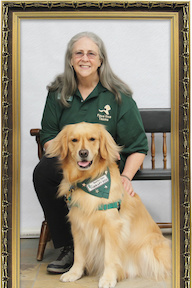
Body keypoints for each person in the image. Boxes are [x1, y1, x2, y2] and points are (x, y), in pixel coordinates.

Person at [33, 32, 148, 274]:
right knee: (44, 171)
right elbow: (48, 138)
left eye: (91, 53)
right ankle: (69, 248)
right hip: (72, 165)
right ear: (71, 59)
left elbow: (137, 146)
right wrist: (71, 149)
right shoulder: (58, 93)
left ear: (100, 60)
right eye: (79, 53)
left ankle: (108, 253)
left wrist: (126, 177)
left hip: (107, 171)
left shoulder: (119, 96)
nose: (84, 58)